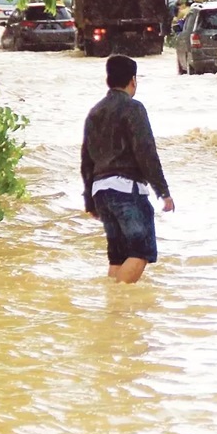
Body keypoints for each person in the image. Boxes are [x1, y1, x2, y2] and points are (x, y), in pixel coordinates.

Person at [81, 55, 175, 283]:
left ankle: (114, 313)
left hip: (101, 192)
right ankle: (116, 305)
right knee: (141, 252)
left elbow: (86, 160)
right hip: (126, 190)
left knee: (118, 257)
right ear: (133, 80)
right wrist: (163, 192)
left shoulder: (95, 111)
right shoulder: (133, 108)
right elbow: (146, 151)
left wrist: (90, 200)